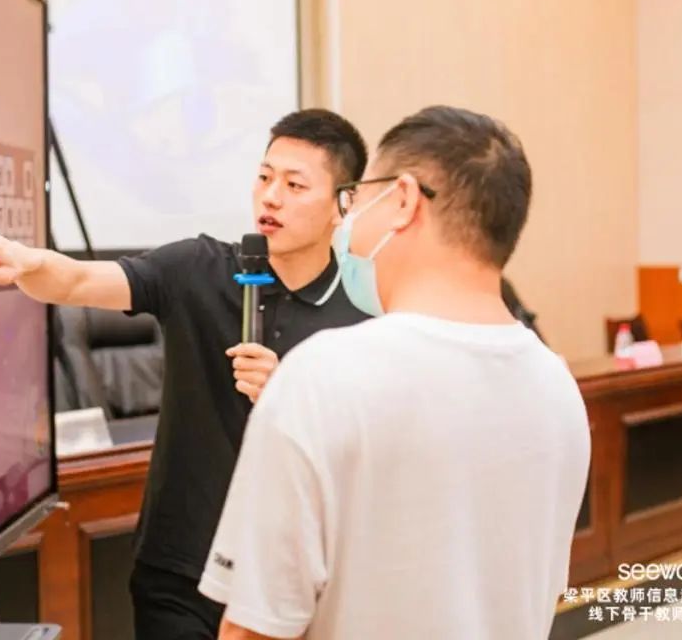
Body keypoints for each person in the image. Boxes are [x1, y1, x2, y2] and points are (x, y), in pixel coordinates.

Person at [0, 108, 370, 639]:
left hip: (293, 580)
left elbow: (362, 459)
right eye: (264, 177)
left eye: (294, 184)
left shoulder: (360, 321)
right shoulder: (197, 269)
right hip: (180, 569)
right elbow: (76, 282)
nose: (271, 196)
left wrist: (293, 395)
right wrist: (24, 263)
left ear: (344, 203)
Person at [199, 106, 591, 639]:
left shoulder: (322, 377)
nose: (349, 219)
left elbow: (254, 629)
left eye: (359, 197)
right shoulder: (557, 386)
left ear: (403, 199)